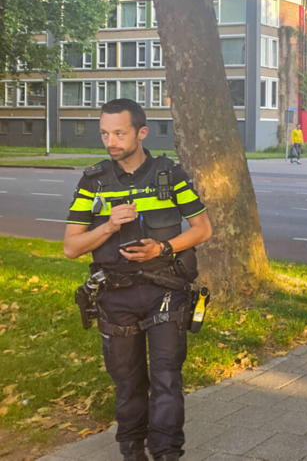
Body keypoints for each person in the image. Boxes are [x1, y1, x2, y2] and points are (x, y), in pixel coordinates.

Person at [63, 99, 211, 461]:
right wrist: (110, 225)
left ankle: (166, 454)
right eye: (104, 133)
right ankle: (132, 452)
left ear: (141, 133)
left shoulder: (169, 174)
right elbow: (71, 247)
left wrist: (162, 248)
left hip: (165, 291)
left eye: (119, 133)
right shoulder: (93, 180)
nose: (110, 141)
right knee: (128, 383)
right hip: (115, 296)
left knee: (167, 380)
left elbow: (203, 229)